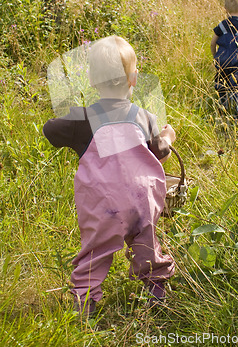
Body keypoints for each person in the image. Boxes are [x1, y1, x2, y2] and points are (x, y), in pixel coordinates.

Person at [43, 36, 176, 316]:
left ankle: (86, 303)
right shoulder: (145, 117)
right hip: (142, 201)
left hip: (103, 205)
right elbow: (161, 153)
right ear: (134, 78)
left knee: (95, 252)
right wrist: (167, 134)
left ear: (91, 80)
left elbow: (50, 131)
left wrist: (69, 116)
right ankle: (156, 292)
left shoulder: (83, 120)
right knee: (147, 244)